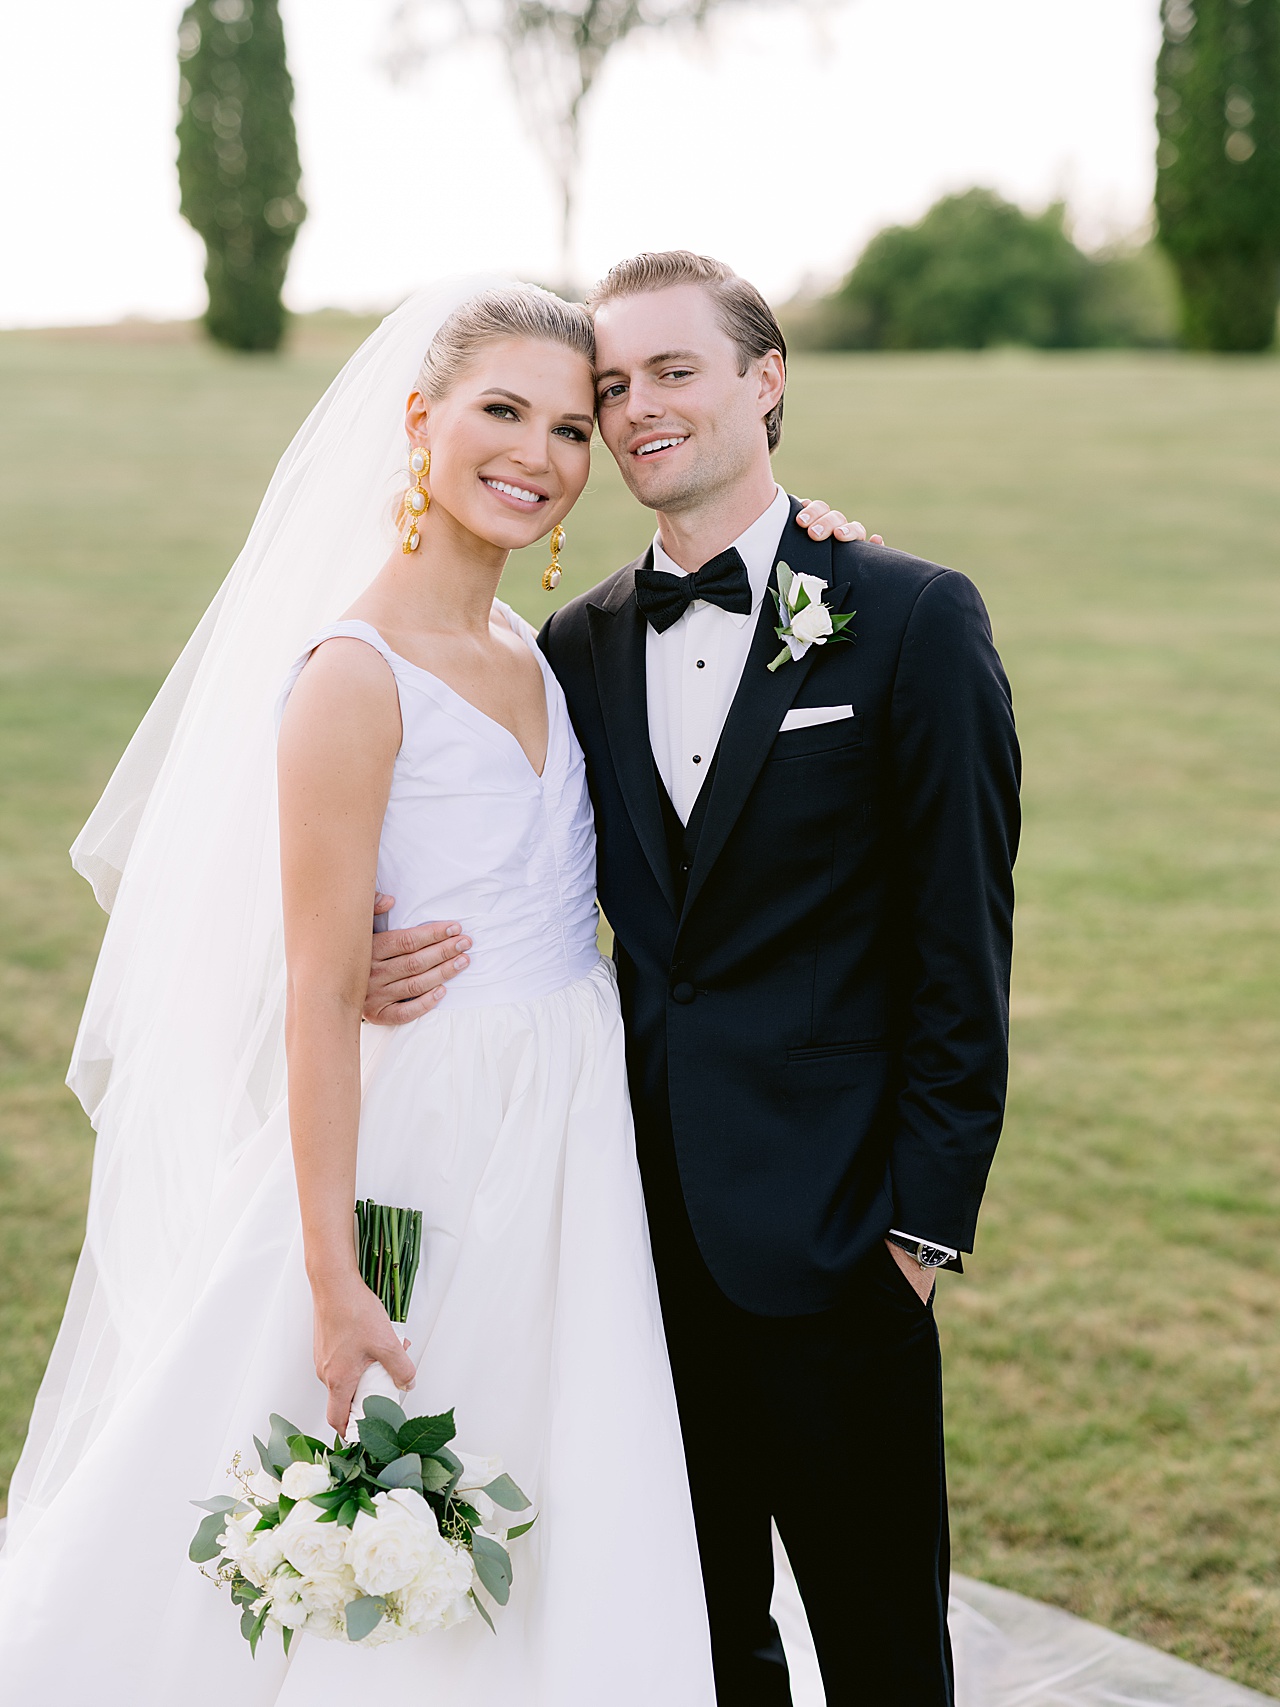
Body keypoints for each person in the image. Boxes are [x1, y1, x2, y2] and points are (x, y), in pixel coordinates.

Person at [0, 277, 852, 1705]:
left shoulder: (542, 647)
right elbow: (323, 997)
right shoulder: (352, 673)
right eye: (502, 412)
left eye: (573, 426)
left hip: (578, 1112)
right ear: (418, 425)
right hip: (428, 1136)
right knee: (413, 1443)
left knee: (574, 1447)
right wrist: (336, 1280)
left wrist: (820, 533)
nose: (539, 452)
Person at [366, 252, 1022, 1706]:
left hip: (845, 1242)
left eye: (674, 371)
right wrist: (358, 940)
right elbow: (474, 834)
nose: (637, 408)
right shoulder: (575, 651)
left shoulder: (912, 617)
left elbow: (963, 947)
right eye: (611, 389)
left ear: (765, 379)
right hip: (624, 1228)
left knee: (881, 1643)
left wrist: (922, 1230)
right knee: (694, 1634)